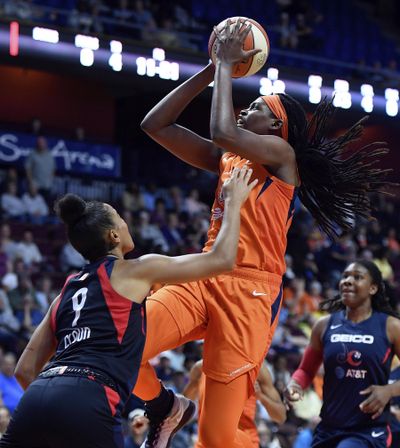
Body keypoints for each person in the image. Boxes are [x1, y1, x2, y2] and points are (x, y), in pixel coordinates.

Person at [135, 18, 391, 448]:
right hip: (204, 272)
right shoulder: (229, 158)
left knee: (215, 439)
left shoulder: (282, 155)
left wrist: (225, 66)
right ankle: (166, 406)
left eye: (255, 108)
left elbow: (221, 130)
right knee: (123, 339)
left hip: (250, 292)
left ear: (276, 127)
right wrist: (209, 68)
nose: (243, 109)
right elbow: (154, 126)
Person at [0, 166, 256, 448]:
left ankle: (165, 408)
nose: (126, 223)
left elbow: (24, 371)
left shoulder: (66, 291)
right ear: (114, 236)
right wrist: (233, 203)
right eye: (121, 220)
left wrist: (53, 408)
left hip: (38, 396)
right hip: (91, 395)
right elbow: (221, 260)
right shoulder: (135, 269)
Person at [284, 260, 400, 448]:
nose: (347, 281)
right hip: (329, 428)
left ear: (372, 288)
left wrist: (389, 391)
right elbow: (305, 370)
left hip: (368, 430)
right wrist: (294, 385)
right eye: (345, 276)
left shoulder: (390, 326)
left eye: (357, 277)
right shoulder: (324, 325)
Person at [183, 360, 286, 447]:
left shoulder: (256, 367)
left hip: (243, 441)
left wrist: (261, 397)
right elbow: (183, 410)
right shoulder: (200, 368)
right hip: (208, 442)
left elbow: (280, 416)